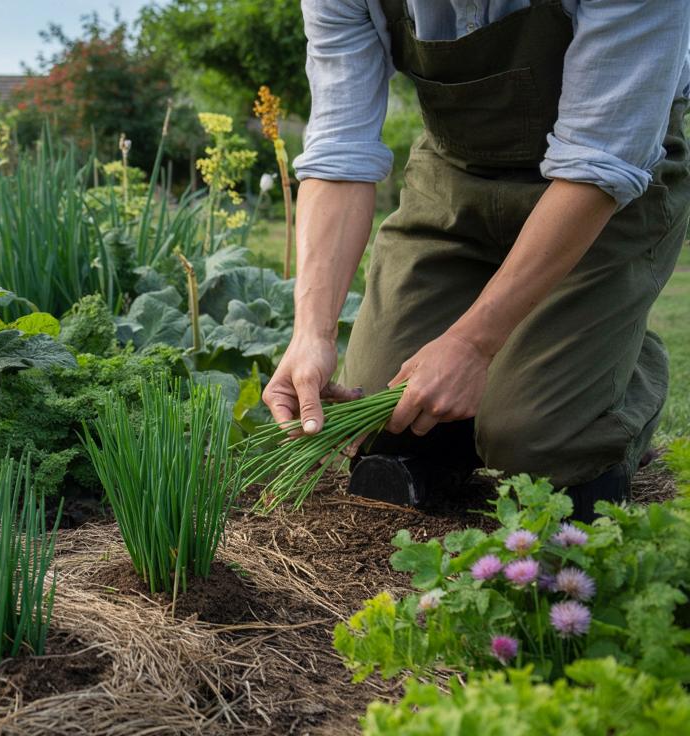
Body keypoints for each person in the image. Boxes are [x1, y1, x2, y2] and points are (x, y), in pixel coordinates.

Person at [265, 0, 690, 521]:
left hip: (607, 186)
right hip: (455, 173)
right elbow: (339, 150)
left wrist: (470, 344)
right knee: (382, 413)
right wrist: (312, 334)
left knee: (533, 441)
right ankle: (509, 384)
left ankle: (619, 363)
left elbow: (599, 162)